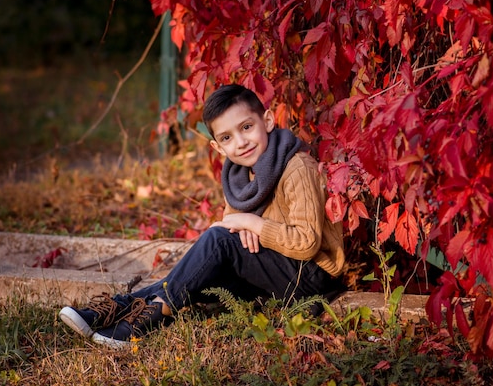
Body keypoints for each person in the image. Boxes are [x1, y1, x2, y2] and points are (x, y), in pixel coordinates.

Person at [58, 84, 346, 348]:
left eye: (247, 127)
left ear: (268, 121)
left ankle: (150, 318)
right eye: (227, 137)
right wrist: (242, 230)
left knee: (217, 241)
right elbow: (232, 230)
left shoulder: (297, 167)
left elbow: (306, 243)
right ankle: (121, 307)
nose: (241, 142)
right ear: (217, 147)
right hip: (271, 270)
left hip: (309, 279)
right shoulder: (239, 175)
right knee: (203, 267)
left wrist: (252, 224)